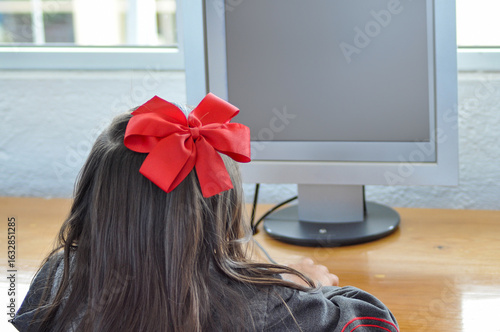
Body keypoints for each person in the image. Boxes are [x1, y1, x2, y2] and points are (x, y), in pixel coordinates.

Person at [12, 94, 398, 332]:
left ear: (92, 204)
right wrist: (312, 286)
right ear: (222, 215)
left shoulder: (60, 278)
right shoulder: (264, 308)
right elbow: (376, 323)